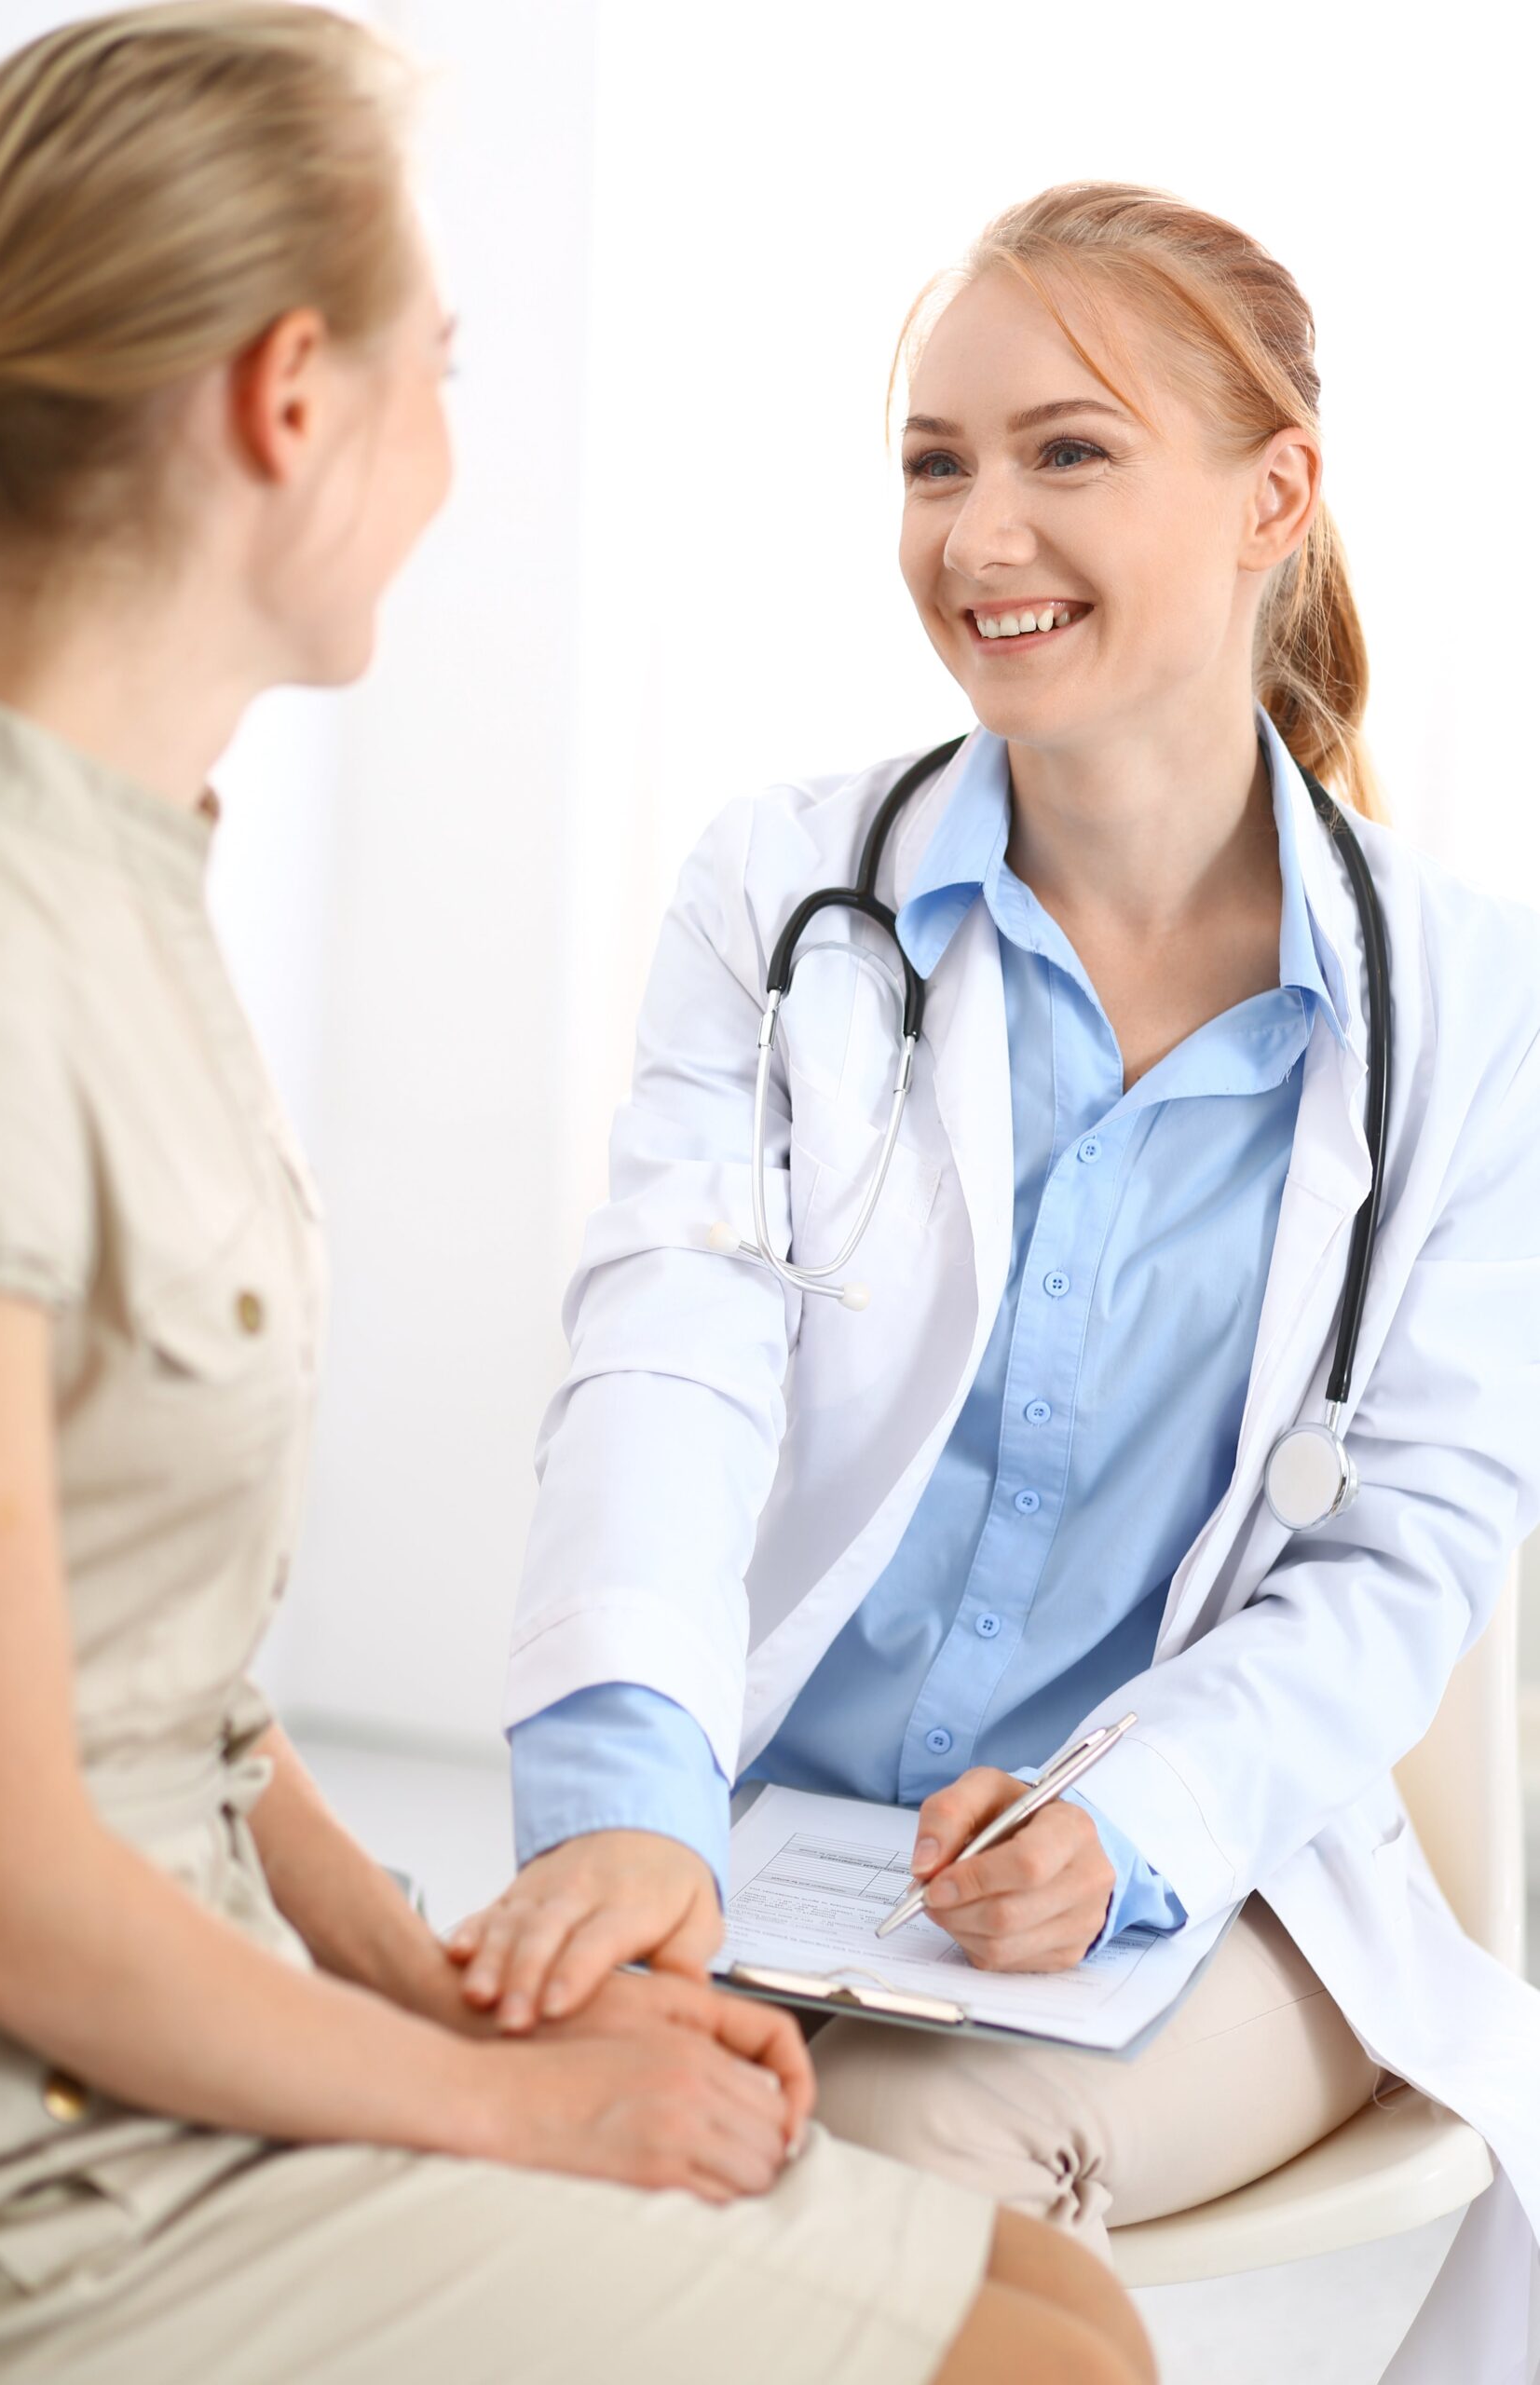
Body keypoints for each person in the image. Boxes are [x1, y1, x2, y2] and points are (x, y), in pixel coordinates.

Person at [0, 15, 1159, 2383]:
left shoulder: (125, 881)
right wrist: (512, 2102)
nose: (448, 449)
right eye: (445, 367)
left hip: (187, 2021)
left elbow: (150, 1671)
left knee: (1063, 2301)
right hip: (45, 2168)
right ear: (294, 402)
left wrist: (434, 1977)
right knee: (1048, 2367)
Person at [468, 182, 1540, 2378]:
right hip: (766, 1835)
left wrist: (1124, 1818)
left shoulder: (1463, 1004)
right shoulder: (785, 895)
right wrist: (625, 1811)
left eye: (1064, 452)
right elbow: (665, 1356)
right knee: (527, 2126)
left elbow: (1411, 1549)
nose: (977, 533)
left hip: (1213, 1889)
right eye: (935, 460)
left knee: (874, 2178)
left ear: (1272, 495)